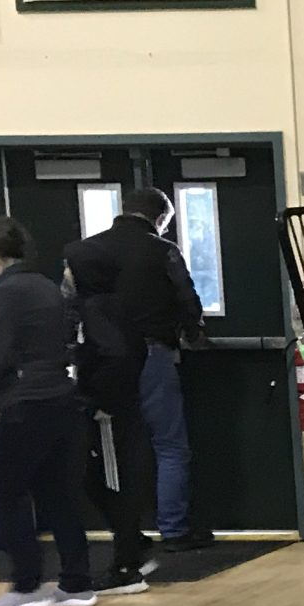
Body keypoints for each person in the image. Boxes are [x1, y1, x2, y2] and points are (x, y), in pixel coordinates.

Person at [0, 217, 97, 606]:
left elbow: (0, 350)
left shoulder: (7, 291)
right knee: (57, 493)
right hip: (61, 398)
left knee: (3, 492)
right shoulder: (46, 286)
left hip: (26, 403)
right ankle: (76, 583)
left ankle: (27, 584)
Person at [86, 187, 211, 552]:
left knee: (117, 450)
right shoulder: (162, 251)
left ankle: (127, 531)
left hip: (102, 361)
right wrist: (194, 334)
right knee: (170, 446)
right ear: (160, 219)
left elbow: (69, 305)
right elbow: (188, 301)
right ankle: (173, 529)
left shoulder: (85, 252)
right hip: (152, 355)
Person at [60, 235, 156, 593]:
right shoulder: (101, 306)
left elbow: (117, 356)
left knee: (113, 481)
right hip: (109, 406)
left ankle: (127, 565)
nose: (66, 274)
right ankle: (131, 541)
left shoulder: (99, 309)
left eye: (69, 267)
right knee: (93, 479)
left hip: (109, 412)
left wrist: (99, 399)